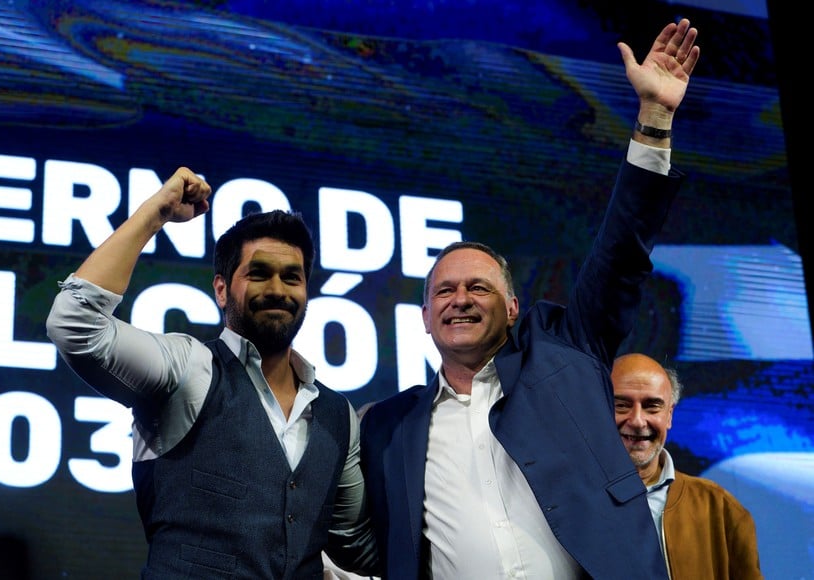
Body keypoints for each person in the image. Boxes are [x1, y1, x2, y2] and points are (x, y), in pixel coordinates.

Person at [359, 18, 700, 580]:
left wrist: (655, 121)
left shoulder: (564, 350)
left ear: (513, 308)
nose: (461, 300)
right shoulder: (388, 428)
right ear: (425, 318)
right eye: (445, 291)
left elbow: (620, 255)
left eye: (479, 287)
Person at [46, 197, 377, 577]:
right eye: (259, 273)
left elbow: (358, 549)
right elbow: (73, 322)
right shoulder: (188, 368)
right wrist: (157, 213)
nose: (277, 289)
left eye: (292, 277)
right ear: (221, 289)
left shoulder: (339, 416)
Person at [611, 353, 764, 579]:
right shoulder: (568, 501)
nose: (637, 420)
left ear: (669, 415)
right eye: (622, 405)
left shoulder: (720, 509)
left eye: (652, 407)